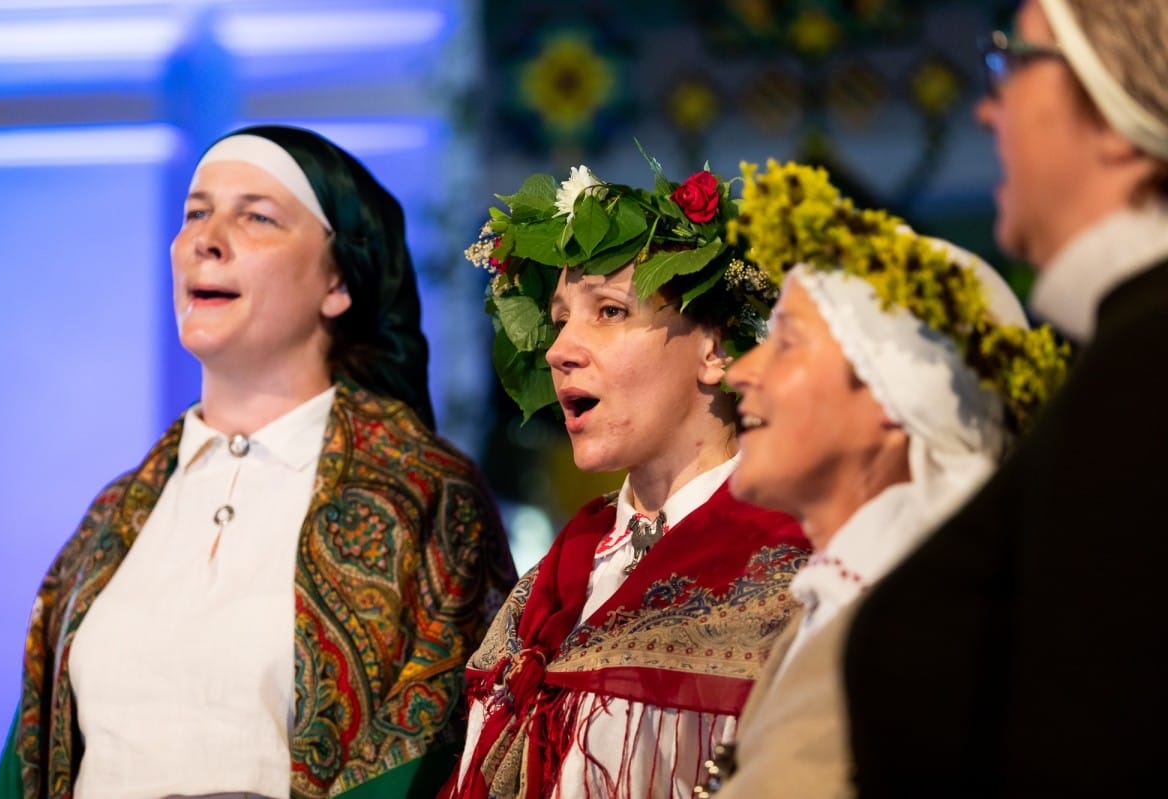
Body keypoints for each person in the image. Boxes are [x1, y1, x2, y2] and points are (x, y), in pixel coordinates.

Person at [0, 125, 516, 799]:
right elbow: (31, 753)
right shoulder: (113, 517)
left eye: (257, 216)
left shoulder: (423, 495)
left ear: (338, 281)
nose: (206, 239)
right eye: (196, 212)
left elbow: (444, 753)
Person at [842, 0, 1168, 794]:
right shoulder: (1120, 354)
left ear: (1117, 113)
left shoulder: (1147, 370)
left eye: (1013, 61)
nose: (988, 108)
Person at [692, 160, 1067, 799]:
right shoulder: (832, 605)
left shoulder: (937, 638)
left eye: (787, 341)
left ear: (897, 401)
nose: (739, 373)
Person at [441, 156, 811, 799]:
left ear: (716, 349)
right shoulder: (556, 576)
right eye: (559, 319)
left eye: (608, 311)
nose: (559, 350)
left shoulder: (794, 568)